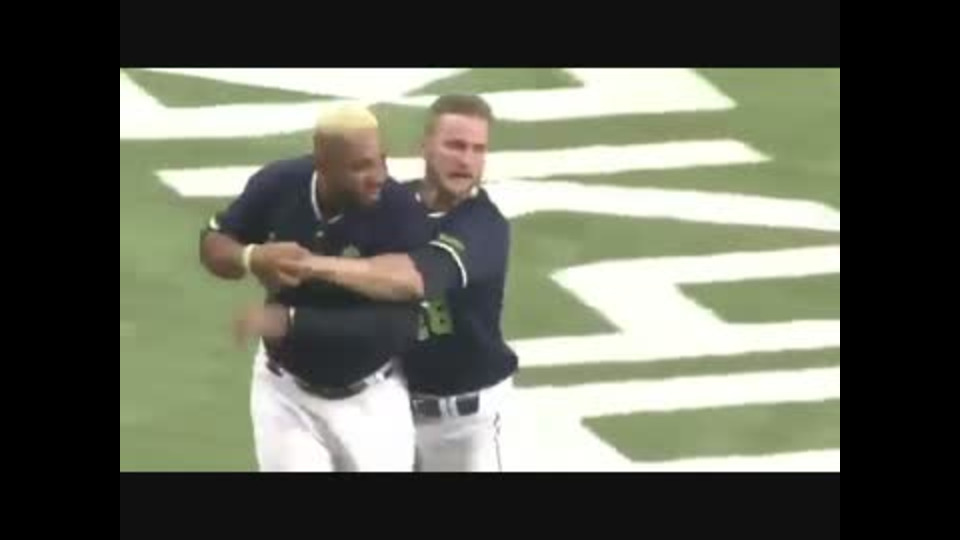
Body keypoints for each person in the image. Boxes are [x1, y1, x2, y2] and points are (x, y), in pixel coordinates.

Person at [198, 104, 431, 472]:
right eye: (361, 167)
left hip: (372, 399)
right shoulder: (279, 184)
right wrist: (251, 257)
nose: (378, 176)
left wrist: (290, 321)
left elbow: (399, 325)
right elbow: (213, 243)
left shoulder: (399, 212)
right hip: (285, 394)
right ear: (322, 165)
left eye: (381, 161)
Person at [295, 94, 518, 472]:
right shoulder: (388, 203)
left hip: (468, 428)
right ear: (425, 146)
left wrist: (316, 266)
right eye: (455, 145)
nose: (466, 160)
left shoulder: (484, 226)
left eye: (478, 149)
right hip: (387, 412)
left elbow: (416, 280)